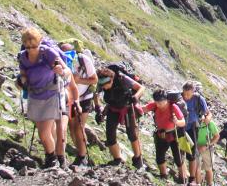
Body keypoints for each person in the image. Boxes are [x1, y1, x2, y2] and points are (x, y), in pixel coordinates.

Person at [16, 28, 69, 169]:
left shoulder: (48, 53)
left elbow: (66, 71)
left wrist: (61, 71)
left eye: (34, 46)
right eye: (28, 47)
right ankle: (52, 157)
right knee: (43, 133)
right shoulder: (22, 56)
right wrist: (22, 80)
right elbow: (23, 73)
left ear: (39, 42)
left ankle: (52, 159)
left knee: (44, 132)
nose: (31, 50)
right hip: (35, 95)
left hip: (51, 95)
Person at [97, 64, 146, 170]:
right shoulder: (101, 82)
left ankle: (138, 160)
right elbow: (95, 94)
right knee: (110, 135)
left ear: (111, 80)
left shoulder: (122, 79)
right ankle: (117, 159)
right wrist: (98, 110)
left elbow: (141, 88)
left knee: (132, 134)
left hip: (127, 108)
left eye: (105, 85)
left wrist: (135, 97)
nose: (104, 87)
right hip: (112, 108)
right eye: (102, 85)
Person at [60, 40, 97, 168]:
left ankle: (82, 156)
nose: (66, 56)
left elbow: (94, 79)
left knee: (78, 127)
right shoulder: (60, 61)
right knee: (71, 127)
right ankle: (81, 154)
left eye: (69, 53)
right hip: (70, 98)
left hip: (85, 97)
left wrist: (79, 79)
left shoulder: (84, 60)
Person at [142, 88, 188, 183]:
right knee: (159, 156)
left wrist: (177, 121)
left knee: (178, 157)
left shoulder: (173, 106)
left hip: (174, 133)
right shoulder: (154, 105)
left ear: (166, 99)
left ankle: (182, 178)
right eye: (157, 102)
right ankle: (163, 175)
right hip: (161, 134)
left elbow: (183, 122)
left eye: (161, 102)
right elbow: (143, 109)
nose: (159, 104)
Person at [182, 82, 209, 184]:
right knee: (181, 150)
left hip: (192, 127)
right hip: (180, 127)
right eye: (185, 94)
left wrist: (205, 118)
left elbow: (207, 113)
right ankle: (183, 174)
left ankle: (192, 178)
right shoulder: (179, 97)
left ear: (193, 91)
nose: (186, 96)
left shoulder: (198, 99)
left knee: (192, 153)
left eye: (189, 94)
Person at [196, 113, 221, 186]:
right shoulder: (194, 121)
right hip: (196, 147)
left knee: (208, 168)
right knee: (197, 167)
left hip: (207, 149)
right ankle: (198, 183)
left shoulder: (210, 124)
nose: (201, 119)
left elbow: (217, 136)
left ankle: (209, 184)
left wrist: (207, 145)